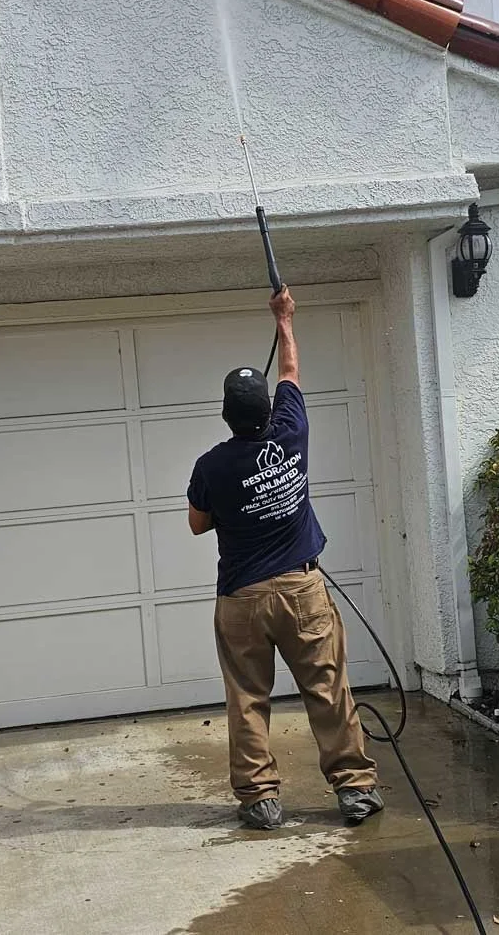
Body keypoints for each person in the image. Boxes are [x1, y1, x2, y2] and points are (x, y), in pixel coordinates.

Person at [186, 285, 383, 830]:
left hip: (242, 599)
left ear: (226, 416)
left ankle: (259, 799)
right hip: (302, 590)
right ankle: (355, 790)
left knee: (248, 697)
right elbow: (291, 368)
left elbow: (197, 524)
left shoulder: (211, 466)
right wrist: (284, 319)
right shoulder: (292, 433)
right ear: (268, 410)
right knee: (326, 688)